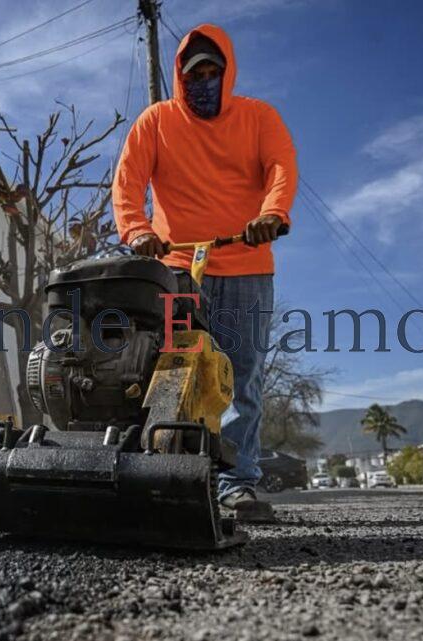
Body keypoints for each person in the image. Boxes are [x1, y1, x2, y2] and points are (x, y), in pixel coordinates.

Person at [111, 23, 297, 522]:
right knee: (171, 371)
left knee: (241, 377)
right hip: (176, 268)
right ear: (180, 76)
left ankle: (237, 484)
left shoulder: (258, 117)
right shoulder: (156, 121)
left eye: (213, 72)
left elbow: (280, 167)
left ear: (227, 73)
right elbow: (127, 182)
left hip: (246, 266)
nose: (204, 82)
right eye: (195, 75)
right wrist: (137, 231)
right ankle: (166, 474)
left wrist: (272, 214)